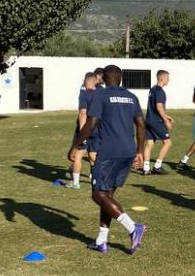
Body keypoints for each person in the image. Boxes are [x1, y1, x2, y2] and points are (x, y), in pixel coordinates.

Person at [69, 65, 147, 254]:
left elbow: (91, 123)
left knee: (98, 195)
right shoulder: (131, 96)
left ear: (103, 78)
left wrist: (76, 145)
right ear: (120, 78)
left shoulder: (101, 94)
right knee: (107, 196)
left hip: (109, 152)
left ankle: (133, 228)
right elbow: (140, 124)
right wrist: (140, 150)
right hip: (128, 151)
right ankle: (101, 241)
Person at [67, 72, 99, 188]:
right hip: (97, 128)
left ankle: (75, 183)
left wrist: (82, 132)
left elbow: (83, 113)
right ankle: (97, 179)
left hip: (85, 128)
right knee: (93, 155)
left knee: (77, 156)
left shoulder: (84, 94)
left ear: (86, 81)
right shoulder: (100, 93)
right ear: (96, 81)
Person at [142, 70, 174, 175]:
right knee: (168, 143)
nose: (168, 80)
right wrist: (166, 121)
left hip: (149, 120)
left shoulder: (153, 89)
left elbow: (154, 107)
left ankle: (146, 169)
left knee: (149, 143)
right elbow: (159, 107)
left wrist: (167, 116)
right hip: (156, 121)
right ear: (162, 78)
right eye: (167, 78)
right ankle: (157, 166)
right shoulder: (160, 91)